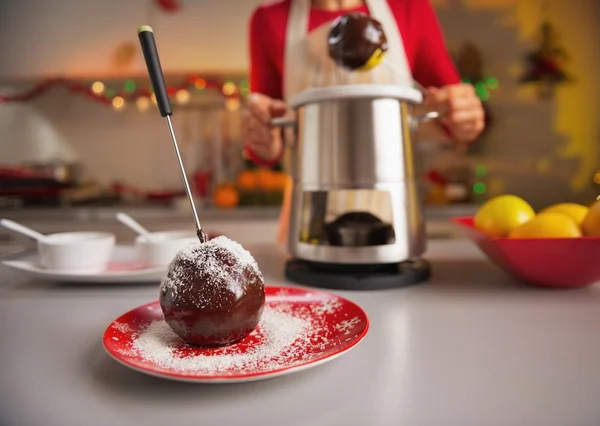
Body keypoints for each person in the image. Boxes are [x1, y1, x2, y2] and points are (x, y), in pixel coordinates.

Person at [242, 0, 485, 244]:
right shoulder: (268, 20)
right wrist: (263, 137)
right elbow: (270, 132)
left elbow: (453, 116)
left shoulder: (410, 7)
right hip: (307, 227)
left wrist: (464, 115)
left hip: (394, 224)